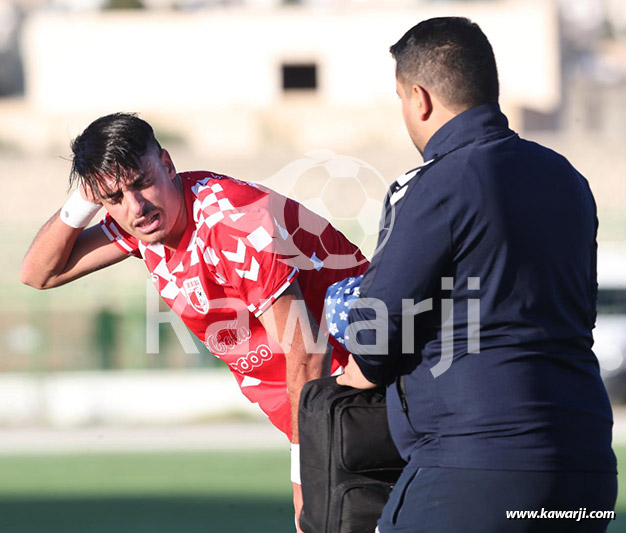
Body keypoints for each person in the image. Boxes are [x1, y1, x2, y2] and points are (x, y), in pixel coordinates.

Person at [19, 112, 368, 530]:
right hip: (321, 407)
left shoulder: (232, 226)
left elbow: (308, 353)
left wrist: (304, 476)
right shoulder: (142, 223)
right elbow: (39, 273)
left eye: (141, 182)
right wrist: (87, 197)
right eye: (113, 197)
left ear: (168, 165)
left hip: (360, 387)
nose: (135, 207)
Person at [336, 17, 617, 532]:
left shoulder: (437, 180)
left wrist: (347, 320)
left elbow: (376, 335)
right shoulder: (566, 178)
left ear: (418, 97)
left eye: (400, 98)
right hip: (588, 465)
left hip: (477, 465)